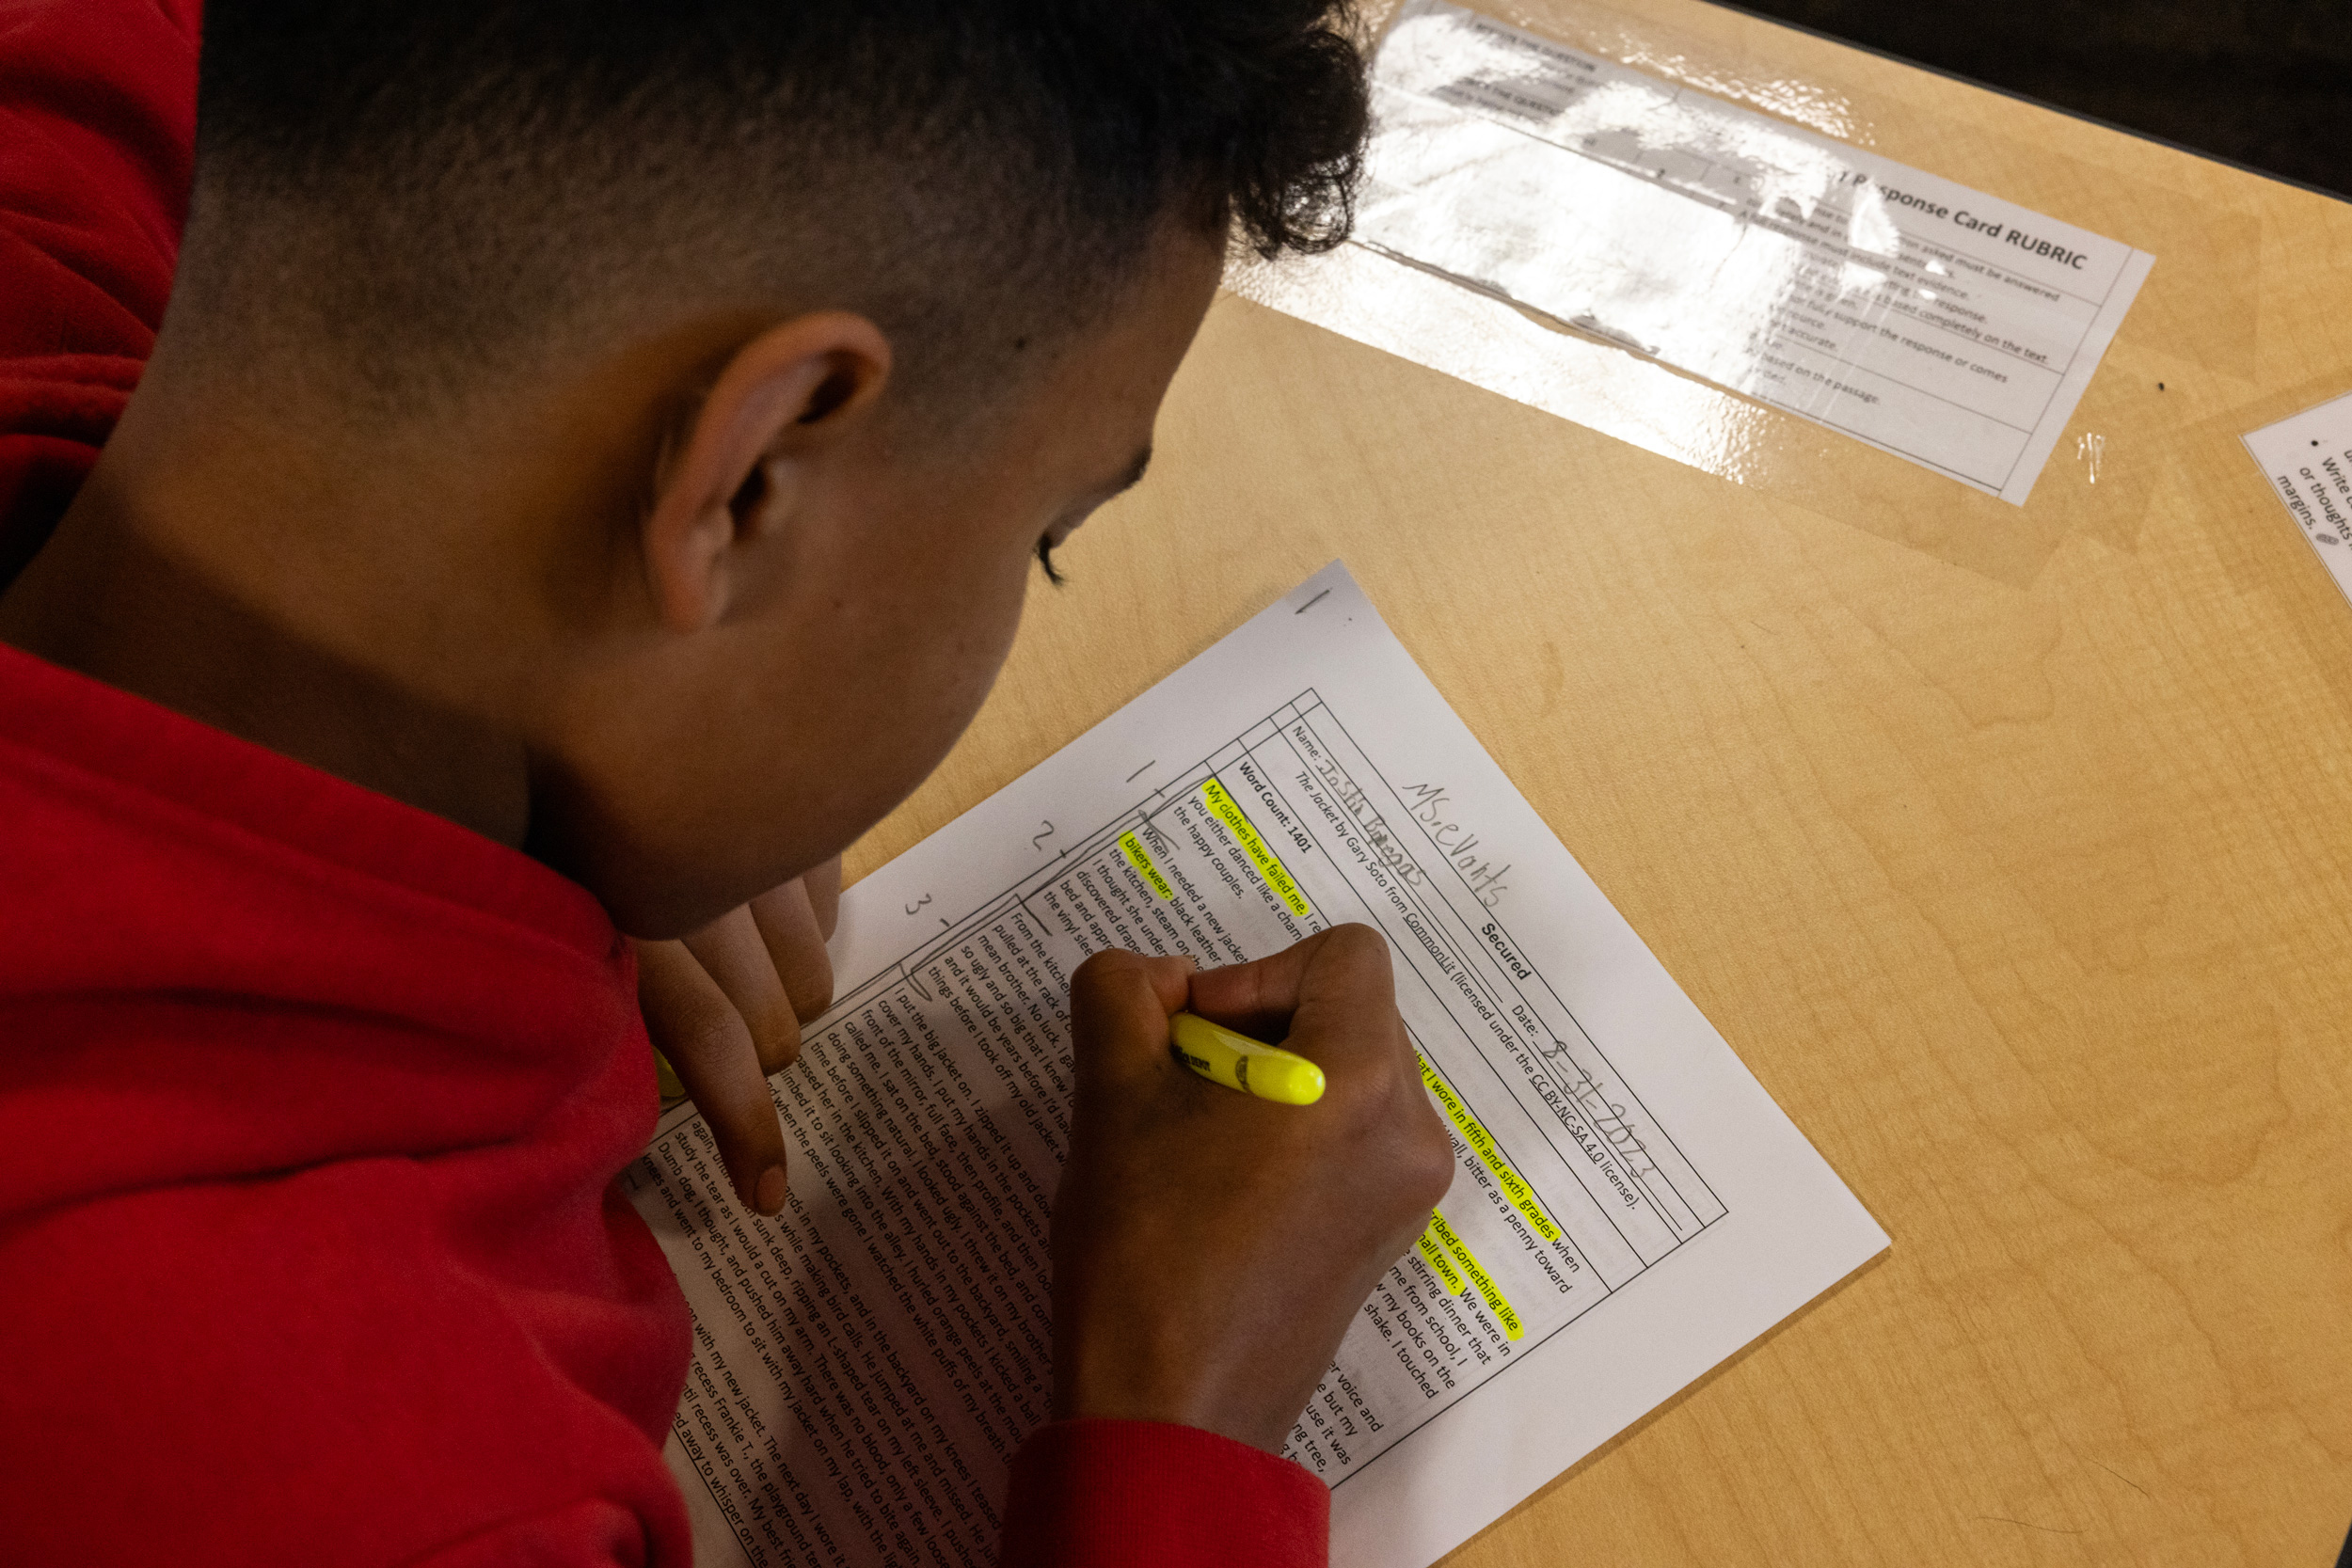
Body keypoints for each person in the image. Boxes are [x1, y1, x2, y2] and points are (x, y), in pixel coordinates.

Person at [0, 1, 1455, 1565]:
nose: (1027, 574)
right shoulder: (400, 1486)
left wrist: (593, 736)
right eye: (1043, 535)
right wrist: (1180, 1421)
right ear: (750, 480)